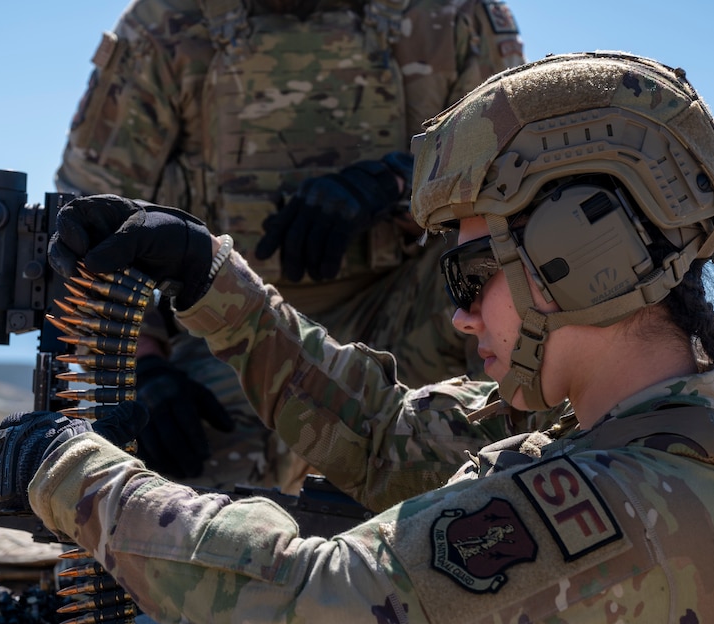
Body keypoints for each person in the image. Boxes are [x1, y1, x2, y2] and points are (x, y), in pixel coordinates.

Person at [0, 52, 714, 624]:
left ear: (579, 256)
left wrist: (69, 470)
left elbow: (297, 609)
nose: (462, 318)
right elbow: (383, 433)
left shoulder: (634, 509)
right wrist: (208, 278)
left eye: (471, 277)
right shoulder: (647, 436)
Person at [53, 0, 528, 488]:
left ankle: (515, 480)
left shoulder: (453, 16)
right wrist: (142, 368)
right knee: (192, 511)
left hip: (404, 312)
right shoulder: (166, 25)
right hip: (218, 331)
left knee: (504, 268)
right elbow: (85, 224)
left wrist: (394, 184)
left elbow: (518, 171)